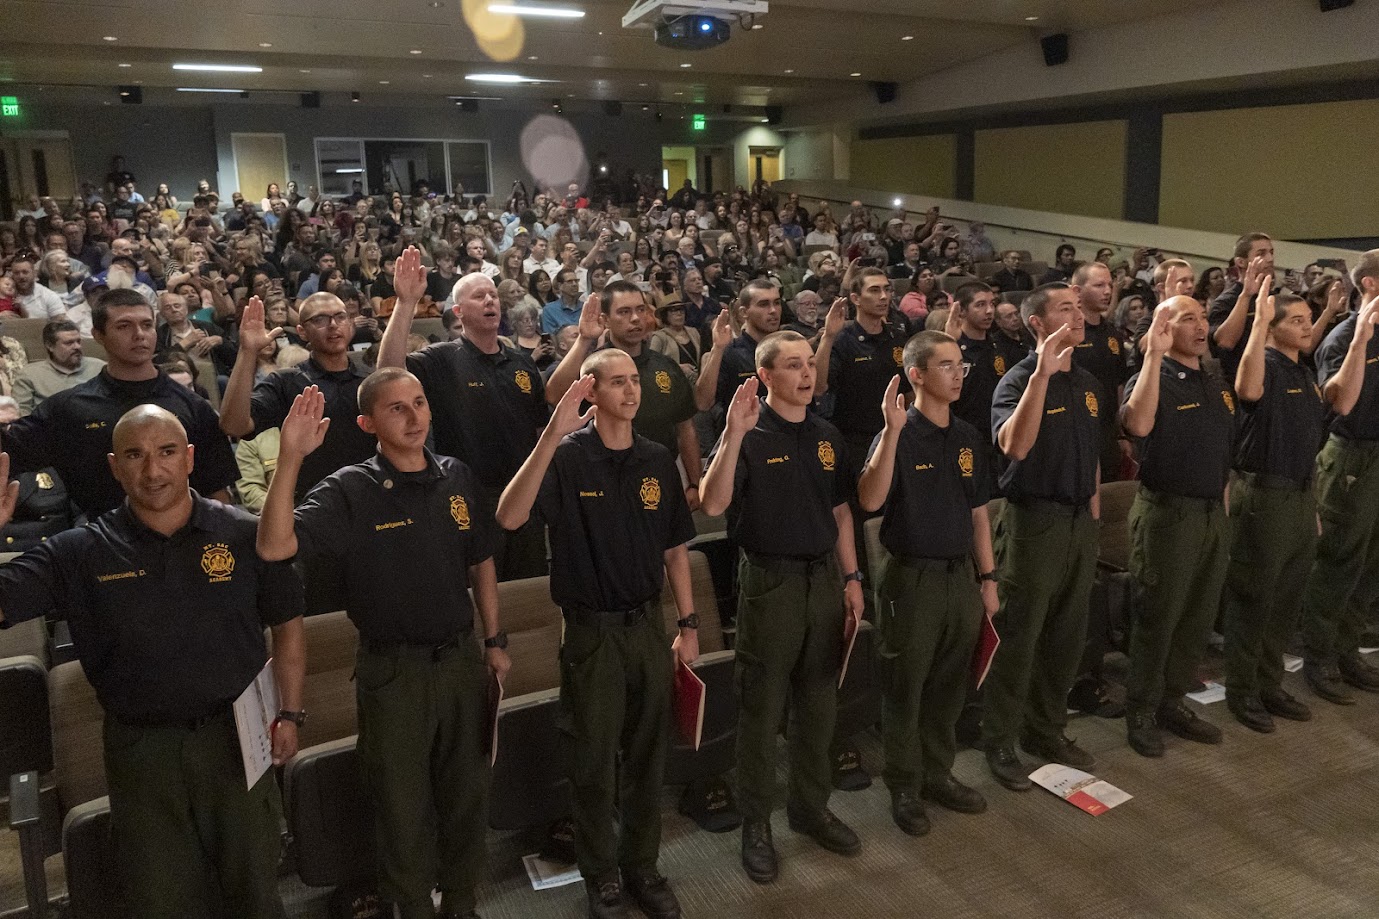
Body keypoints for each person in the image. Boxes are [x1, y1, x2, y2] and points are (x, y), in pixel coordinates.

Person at [0, 406, 304, 919]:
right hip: (141, 751)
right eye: (135, 456)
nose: (153, 471)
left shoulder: (244, 534)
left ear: (189, 459)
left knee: (255, 889)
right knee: (160, 897)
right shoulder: (79, 552)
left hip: (236, 738)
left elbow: (287, 624)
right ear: (115, 466)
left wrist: (291, 714)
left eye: (166, 453)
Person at [258, 374, 509, 919]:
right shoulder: (349, 489)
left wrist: (494, 637)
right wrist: (292, 459)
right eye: (397, 409)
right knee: (402, 812)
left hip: (461, 661)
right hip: (394, 672)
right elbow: (275, 545)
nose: (415, 417)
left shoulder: (456, 475)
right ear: (368, 424)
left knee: (468, 798)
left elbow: (481, 558)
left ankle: (461, 904)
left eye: (420, 402)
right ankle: (412, 908)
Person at [496, 354, 698, 919]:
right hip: (591, 633)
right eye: (617, 381)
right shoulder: (565, 458)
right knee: (592, 761)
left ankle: (642, 865)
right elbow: (509, 518)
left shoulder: (656, 458)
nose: (631, 389)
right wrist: (550, 436)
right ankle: (602, 873)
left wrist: (688, 623)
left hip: (648, 628)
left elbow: (675, 547)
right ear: (591, 390)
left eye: (635, 380)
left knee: (646, 756)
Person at [699, 332, 864, 885]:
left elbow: (841, 509)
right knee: (762, 708)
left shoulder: (826, 433)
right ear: (766, 377)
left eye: (808, 364)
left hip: (823, 579)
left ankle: (810, 807)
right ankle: (756, 825)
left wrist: (853, 576)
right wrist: (730, 434)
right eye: (792, 366)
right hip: (770, 581)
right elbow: (714, 503)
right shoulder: (747, 433)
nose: (806, 374)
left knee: (819, 702)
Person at [857, 331, 997, 836]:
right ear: (916, 375)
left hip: (960, 576)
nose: (958, 374)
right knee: (907, 687)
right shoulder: (897, 432)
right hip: (911, 579)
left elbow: (979, 511)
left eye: (961, 365)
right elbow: (869, 501)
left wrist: (988, 577)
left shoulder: (966, 435)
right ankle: (903, 785)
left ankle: (938, 773)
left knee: (947, 685)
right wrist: (891, 433)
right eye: (946, 366)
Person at [982, 283, 1102, 790]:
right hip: (1035, 522)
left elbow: (1095, 452)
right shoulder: (1015, 382)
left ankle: (1046, 729)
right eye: (1065, 309)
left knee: (1067, 634)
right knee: (1021, 636)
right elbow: (1014, 447)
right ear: (1037, 322)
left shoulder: (1090, 382)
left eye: (1079, 308)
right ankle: (1001, 740)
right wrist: (1041, 378)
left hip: (1078, 523)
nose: (1078, 317)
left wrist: (1094, 512)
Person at [380, 253, 550, 580]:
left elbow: (540, 429)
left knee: (529, 589)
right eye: (479, 296)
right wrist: (406, 303)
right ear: (458, 312)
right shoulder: (441, 359)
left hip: (525, 494)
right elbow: (387, 374)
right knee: (478, 591)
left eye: (494, 295)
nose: (490, 300)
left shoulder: (522, 362)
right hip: (467, 497)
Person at [1118, 297, 1237, 757]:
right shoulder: (1151, 378)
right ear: (1164, 328)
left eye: (1203, 317)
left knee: (1196, 617)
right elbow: (1139, 426)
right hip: (1168, 515)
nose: (1202, 326)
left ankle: (1171, 701)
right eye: (1189, 318)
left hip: (1211, 513)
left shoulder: (1214, 380)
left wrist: (1223, 509)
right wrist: (1152, 355)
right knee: (1159, 617)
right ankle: (1141, 710)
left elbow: (1223, 452)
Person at [2, 289, 237, 518]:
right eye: (124, 326)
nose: (139, 334)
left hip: (183, 542)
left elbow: (218, 495)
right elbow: (8, 453)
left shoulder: (193, 406)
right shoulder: (70, 408)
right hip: (100, 541)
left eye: (147, 325)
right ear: (98, 335)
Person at [1222, 287, 1326, 732]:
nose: (1307, 327)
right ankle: (1242, 690)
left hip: (1300, 497)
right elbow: (1247, 387)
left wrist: (1313, 506)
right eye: (1297, 320)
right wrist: (1258, 322)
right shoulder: (1264, 364)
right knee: (1255, 598)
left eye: (1308, 319)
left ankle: (1269, 682)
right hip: (1264, 496)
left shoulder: (1304, 372)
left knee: (1286, 600)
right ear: (1273, 327)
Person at [544, 283, 705, 507]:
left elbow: (686, 429)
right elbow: (554, 395)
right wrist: (584, 340)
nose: (636, 318)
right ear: (605, 320)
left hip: (661, 473)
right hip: (603, 478)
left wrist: (695, 483)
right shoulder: (592, 365)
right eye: (624, 312)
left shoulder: (666, 366)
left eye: (640, 309)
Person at [1300, 252, 1379, 703]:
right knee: (1339, 560)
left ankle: (1348, 649)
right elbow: (1339, 405)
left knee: (1371, 562)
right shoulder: (1344, 338)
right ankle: (1319, 657)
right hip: (1350, 457)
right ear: (1368, 285)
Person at [696, 279, 783, 414]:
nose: (773, 310)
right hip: (746, 431)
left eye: (777, 303)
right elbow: (702, 403)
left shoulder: (789, 347)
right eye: (764, 304)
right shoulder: (729, 353)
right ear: (744, 312)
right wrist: (717, 349)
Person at [12, 319, 105, 415]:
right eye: (69, 343)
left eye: (78, 341)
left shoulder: (99, 368)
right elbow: (20, 414)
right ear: (50, 346)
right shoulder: (29, 374)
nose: (77, 347)